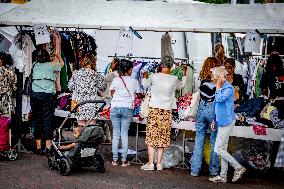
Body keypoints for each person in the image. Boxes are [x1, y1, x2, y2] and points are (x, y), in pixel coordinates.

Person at [141, 56, 187, 171]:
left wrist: (144, 76)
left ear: (161, 65)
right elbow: (182, 85)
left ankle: (151, 164)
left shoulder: (154, 76)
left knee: (152, 137)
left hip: (154, 110)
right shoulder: (174, 78)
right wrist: (184, 73)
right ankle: (159, 164)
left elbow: (145, 85)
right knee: (162, 137)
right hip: (166, 112)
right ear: (171, 66)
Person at [209, 66, 246, 183]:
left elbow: (219, 100)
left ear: (219, 77)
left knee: (218, 149)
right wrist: (214, 120)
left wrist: (218, 88)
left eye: (214, 76)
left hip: (227, 121)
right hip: (222, 121)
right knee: (222, 148)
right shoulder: (221, 88)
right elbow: (215, 105)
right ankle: (223, 176)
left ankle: (238, 167)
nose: (212, 78)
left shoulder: (229, 89)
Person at [190, 57, 220, 177]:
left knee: (199, 140)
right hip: (213, 109)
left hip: (202, 109)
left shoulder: (201, 80)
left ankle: (195, 170)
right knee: (214, 141)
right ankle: (213, 170)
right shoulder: (217, 82)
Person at [31, 49, 64, 155]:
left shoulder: (34, 64)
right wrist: (58, 56)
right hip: (47, 95)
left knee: (37, 119)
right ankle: (48, 147)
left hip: (35, 94)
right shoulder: (52, 65)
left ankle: (38, 146)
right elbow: (62, 65)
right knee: (47, 119)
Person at [110, 59, 141, 167]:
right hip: (127, 108)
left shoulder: (116, 80)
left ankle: (114, 160)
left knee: (116, 134)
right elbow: (139, 95)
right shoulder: (134, 81)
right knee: (124, 134)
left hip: (115, 108)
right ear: (129, 70)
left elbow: (112, 93)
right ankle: (123, 160)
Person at [68, 61, 107, 127]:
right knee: (91, 129)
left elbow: (70, 87)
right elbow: (103, 87)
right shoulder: (95, 74)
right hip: (92, 105)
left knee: (81, 128)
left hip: (80, 105)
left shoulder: (76, 74)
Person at [102, 58, 120, 144]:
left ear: (116, 64)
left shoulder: (112, 75)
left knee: (109, 121)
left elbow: (102, 83)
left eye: (112, 63)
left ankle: (112, 139)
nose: (110, 64)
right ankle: (110, 138)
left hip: (109, 99)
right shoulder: (120, 75)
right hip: (114, 99)